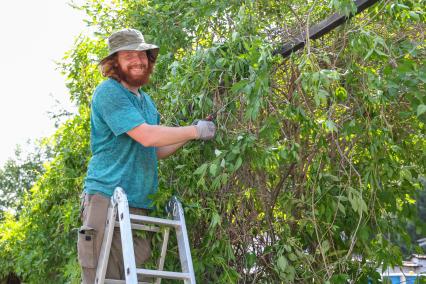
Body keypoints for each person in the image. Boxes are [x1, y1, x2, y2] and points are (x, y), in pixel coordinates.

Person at [77, 28, 216, 283]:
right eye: (128, 55)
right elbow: (147, 136)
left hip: (139, 201)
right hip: (107, 198)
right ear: (114, 62)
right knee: (104, 276)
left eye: (142, 54)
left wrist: (189, 133)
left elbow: (157, 149)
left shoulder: (146, 102)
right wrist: (196, 131)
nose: (138, 60)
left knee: (138, 277)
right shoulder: (109, 92)